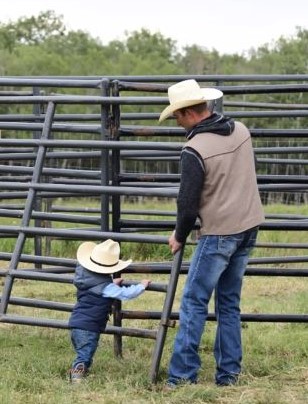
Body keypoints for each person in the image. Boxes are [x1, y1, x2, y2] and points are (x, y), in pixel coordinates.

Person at [159, 79, 264, 387]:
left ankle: (181, 376)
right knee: (229, 302)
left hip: (219, 232)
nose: (177, 123)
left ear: (188, 113)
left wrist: (179, 235)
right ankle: (228, 374)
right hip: (248, 225)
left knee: (193, 301)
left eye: (177, 116)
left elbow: (187, 203)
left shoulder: (194, 149)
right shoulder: (241, 131)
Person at [68, 239, 151, 383]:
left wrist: (110, 283)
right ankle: (76, 377)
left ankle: (80, 372)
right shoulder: (106, 288)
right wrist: (141, 286)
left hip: (76, 323)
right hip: (89, 327)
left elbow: (97, 286)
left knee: (83, 352)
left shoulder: (84, 279)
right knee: (84, 356)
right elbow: (125, 294)